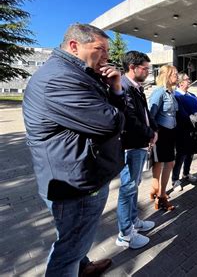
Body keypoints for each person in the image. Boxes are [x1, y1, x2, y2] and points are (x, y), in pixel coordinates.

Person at [22, 23, 124, 276]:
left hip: (74, 172)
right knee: (68, 248)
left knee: (72, 235)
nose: (106, 56)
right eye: (100, 49)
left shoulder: (76, 73)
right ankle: (73, 265)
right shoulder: (60, 78)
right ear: (74, 46)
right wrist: (116, 91)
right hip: (75, 181)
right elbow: (110, 122)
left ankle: (83, 266)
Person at [115, 51, 157, 250]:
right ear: (132, 67)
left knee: (134, 185)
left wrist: (153, 129)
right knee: (128, 187)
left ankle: (133, 221)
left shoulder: (136, 88)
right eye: (145, 68)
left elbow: (145, 114)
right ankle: (125, 235)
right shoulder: (123, 86)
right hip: (130, 146)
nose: (148, 72)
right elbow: (130, 118)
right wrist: (149, 132)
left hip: (139, 144)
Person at [149, 65, 178, 211]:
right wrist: (154, 133)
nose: (177, 77)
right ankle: (160, 195)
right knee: (160, 163)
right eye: (175, 74)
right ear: (167, 76)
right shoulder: (159, 92)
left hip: (171, 132)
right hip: (161, 133)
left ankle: (159, 193)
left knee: (168, 163)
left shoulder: (171, 92)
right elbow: (151, 114)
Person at [172, 72, 197, 191]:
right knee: (181, 155)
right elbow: (180, 114)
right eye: (187, 79)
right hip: (182, 130)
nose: (189, 81)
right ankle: (175, 179)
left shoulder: (192, 95)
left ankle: (186, 173)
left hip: (194, 129)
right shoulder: (176, 95)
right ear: (181, 82)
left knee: (191, 153)